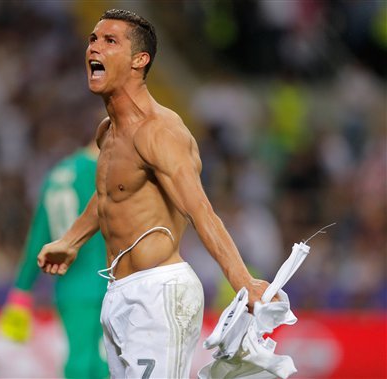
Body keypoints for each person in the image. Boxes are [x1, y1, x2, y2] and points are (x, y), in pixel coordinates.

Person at [38, 9, 275, 378]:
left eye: (109, 41)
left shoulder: (159, 131)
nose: (94, 48)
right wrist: (71, 240)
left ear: (139, 60)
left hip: (160, 293)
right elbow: (107, 197)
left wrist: (243, 283)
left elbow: (201, 210)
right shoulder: (108, 132)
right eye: (93, 40)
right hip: (118, 292)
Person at [0, 140, 108, 379]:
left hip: (69, 285)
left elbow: (38, 237)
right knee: (102, 360)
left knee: (80, 356)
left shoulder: (58, 174)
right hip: (105, 279)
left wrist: (22, 290)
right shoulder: (105, 170)